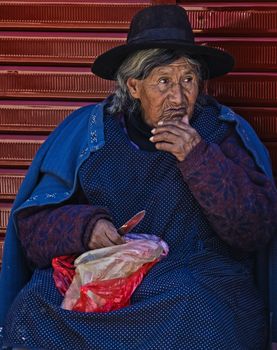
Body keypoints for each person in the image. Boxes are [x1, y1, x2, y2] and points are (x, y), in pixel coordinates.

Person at [0, 4, 276, 350]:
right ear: (133, 86)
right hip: (107, 277)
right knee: (35, 305)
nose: (179, 97)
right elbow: (34, 229)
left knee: (197, 309)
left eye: (188, 80)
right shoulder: (91, 133)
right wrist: (86, 228)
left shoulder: (218, 132)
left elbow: (255, 228)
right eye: (164, 81)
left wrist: (199, 158)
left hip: (194, 279)